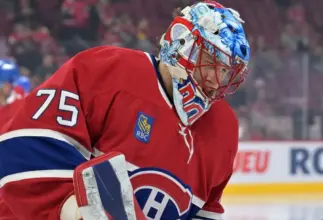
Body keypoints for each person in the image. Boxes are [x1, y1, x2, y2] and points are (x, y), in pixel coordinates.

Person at [0, 1, 251, 219]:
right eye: (210, 62)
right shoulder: (106, 71)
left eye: (227, 71)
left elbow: (204, 211)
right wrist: (76, 211)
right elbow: (26, 150)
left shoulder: (223, 129)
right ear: (180, 43)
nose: (215, 80)